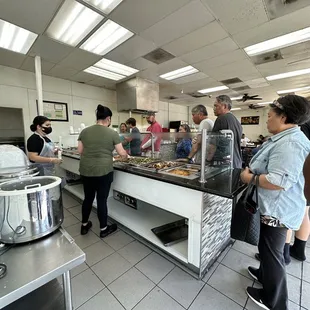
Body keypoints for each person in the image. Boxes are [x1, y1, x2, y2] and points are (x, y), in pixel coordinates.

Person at [240, 95, 310, 310]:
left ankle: (275, 300)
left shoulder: (290, 143)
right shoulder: (284, 137)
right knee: (266, 247)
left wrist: (248, 178)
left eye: (270, 116)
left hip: (278, 209)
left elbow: (279, 181)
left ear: (284, 117)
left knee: (273, 254)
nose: (267, 119)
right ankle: (263, 274)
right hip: (273, 206)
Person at [78, 105, 128, 238]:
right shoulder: (112, 133)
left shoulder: (84, 131)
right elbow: (121, 152)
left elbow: (80, 151)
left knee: (88, 198)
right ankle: (103, 229)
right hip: (103, 171)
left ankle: (84, 226)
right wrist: (125, 157)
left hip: (86, 170)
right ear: (108, 118)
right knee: (101, 200)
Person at [211, 95, 243, 168]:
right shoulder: (237, 122)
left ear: (224, 106)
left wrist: (207, 160)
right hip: (236, 162)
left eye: (216, 106)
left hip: (224, 164)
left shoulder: (221, 118)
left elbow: (213, 144)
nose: (214, 108)